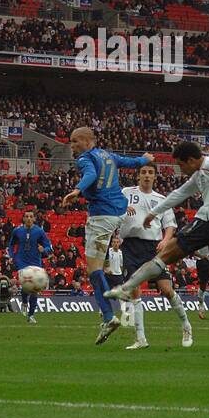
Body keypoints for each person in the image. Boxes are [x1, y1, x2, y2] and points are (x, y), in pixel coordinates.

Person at [106, 141, 209, 357]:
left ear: (191, 160)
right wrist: (154, 213)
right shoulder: (201, 174)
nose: (180, 169)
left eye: (181, 164)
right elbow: (179, 194)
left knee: (166, 253)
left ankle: (127, 286)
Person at [59, 126, 153, 345]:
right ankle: (111, 293)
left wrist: (77, 190)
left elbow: (91, 174)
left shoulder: (85, 158)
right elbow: (130, 163)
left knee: (94, 270)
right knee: (98, 264)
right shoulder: (108, 155)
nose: (72, 146)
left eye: (74, 141)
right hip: (119, 212)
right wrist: (144, 158)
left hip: (102, 215)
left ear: (85, 140)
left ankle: (109, 315)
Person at [117, 162, 192, 349]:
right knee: (135, 290)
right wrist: (121, 210)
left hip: (153, 248)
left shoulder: (161, 199)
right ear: (138, 176)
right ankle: (140, 338)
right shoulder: (126, 193)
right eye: (144, 172)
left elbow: (170, 225)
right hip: (130, 246)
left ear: (155, 176)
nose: (147, 175)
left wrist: (166, 240)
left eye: (150, 172)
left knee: (166, 290)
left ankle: (186, 325)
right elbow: (112, 207)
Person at [8, 209, 51, 324]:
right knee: (25, 284)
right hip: (21, 260)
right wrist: (11, 255)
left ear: (34, 218)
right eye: (26, 216)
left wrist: (44, 249)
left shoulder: (39, 231)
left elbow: (48, 246)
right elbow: (11, 244)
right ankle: (24, 302)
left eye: (31, 216)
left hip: (35, 261)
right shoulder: (17, 231)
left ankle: (31, 315)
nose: (29, 219)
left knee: (35, 289)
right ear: (23, 218)